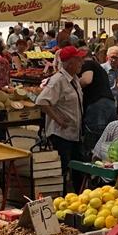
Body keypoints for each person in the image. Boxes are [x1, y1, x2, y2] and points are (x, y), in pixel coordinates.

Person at [36, 46, 85, 194]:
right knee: (62, 169)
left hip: (74, 133)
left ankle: (76, 195)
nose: (81, 63)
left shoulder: (74, 79)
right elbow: (42, 101)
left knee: (77, 168)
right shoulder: (58, 80)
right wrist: (58, 119)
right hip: (61, 134)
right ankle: (62, 198)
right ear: (70, 63)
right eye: (78, 60)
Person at [79, 49, 117, 157]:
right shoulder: (99, 67)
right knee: (107, 139)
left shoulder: (88, 63)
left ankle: (93, 168)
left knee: (95, 140)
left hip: (97, 105)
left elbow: (87, 80)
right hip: (108, 103)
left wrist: (72, 84)